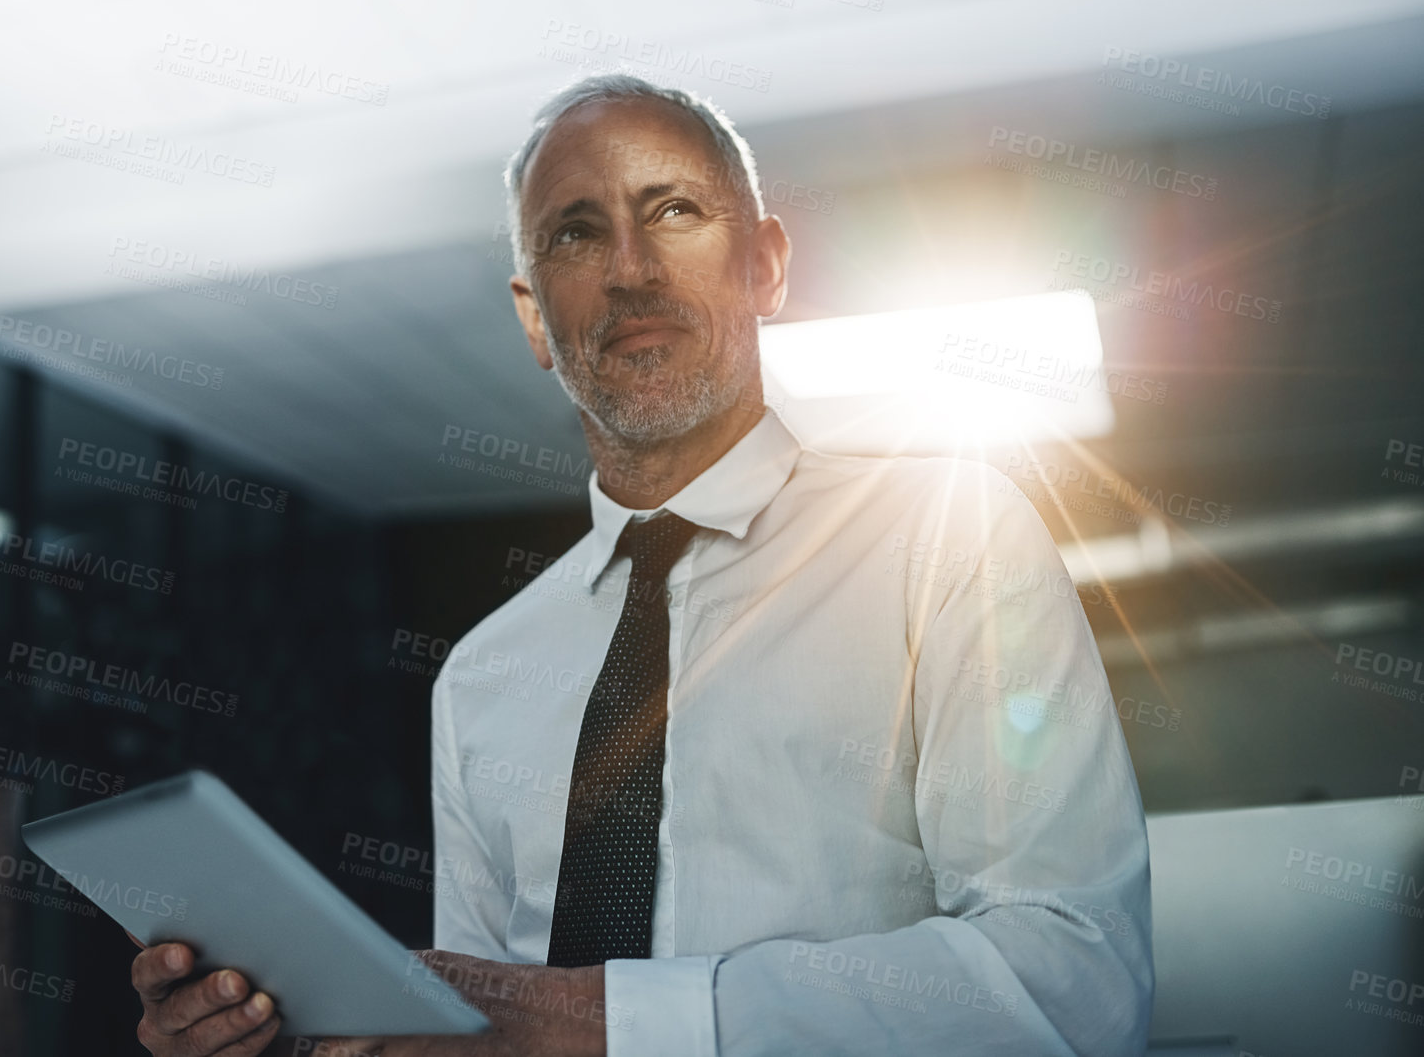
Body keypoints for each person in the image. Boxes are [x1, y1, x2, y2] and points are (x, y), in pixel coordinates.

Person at [131, 74, 1154, 1056]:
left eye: (673, 211)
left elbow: (1074, 981)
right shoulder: (483, 674)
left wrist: (613, 1024)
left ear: (764, 266)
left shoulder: (951, 533)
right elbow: (480, 1041)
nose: (629, 268)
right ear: (536, 317)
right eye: (577, 231)